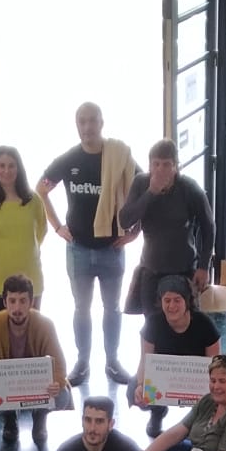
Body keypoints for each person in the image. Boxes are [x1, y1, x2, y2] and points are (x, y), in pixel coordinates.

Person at [37, 102, 139, 387]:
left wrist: (135, 231)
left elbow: (142, 188)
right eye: (82, 121)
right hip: (78, 250)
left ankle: (112, 362)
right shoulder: (69, 159)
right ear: (76, 125)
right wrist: (57, 226)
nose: (87, 126)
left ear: (101, 123)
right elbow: (41, 189)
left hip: (112, 249)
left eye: (92, 120)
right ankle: (82, 363)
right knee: (81, 308)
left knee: (112, 308)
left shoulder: (118, 156)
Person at [119, 140, 214, 327]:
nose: (160, 170)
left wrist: (204, 266)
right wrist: (151, 192)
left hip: (184, 269)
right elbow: (125, 220)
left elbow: (208, 226)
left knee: (187, 326)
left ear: (176, 167)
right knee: (153, 328)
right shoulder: (141, 183)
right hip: (151, 269)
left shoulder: (189, 188)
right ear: (149, 166)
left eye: (166, 164)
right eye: (156, 164)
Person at [0, 274, 69, 451]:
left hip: (36, 388)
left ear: (31, 302)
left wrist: (57, 383)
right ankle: (10, 419)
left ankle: (40, 419)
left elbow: (59, 364)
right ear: (5, 302)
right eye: (12, 301)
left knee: (62, 394)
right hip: (8, 388)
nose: (17, 308)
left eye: (23, 301)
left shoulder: (45, 325)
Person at [136, 274, 221, 437]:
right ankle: (157, 412)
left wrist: (213, 390)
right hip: (164, 378)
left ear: (187, 301)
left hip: (195, 380)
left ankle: (202, 418)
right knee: (134, 389)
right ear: (161, 301)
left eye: (177, 300)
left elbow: (216, 364)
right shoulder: (153, 323)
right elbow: (144, 361)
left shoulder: (205, 324)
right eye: (167, 300)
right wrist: (140, 385)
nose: (172, 306)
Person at [0, 146, 49, 314]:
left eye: (12, 165)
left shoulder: (34, 201)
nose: (6, 171)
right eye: (2, 166)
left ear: (19, 168)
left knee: (32, 329)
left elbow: (41, 232)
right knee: (0, 330)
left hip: (31, 281)